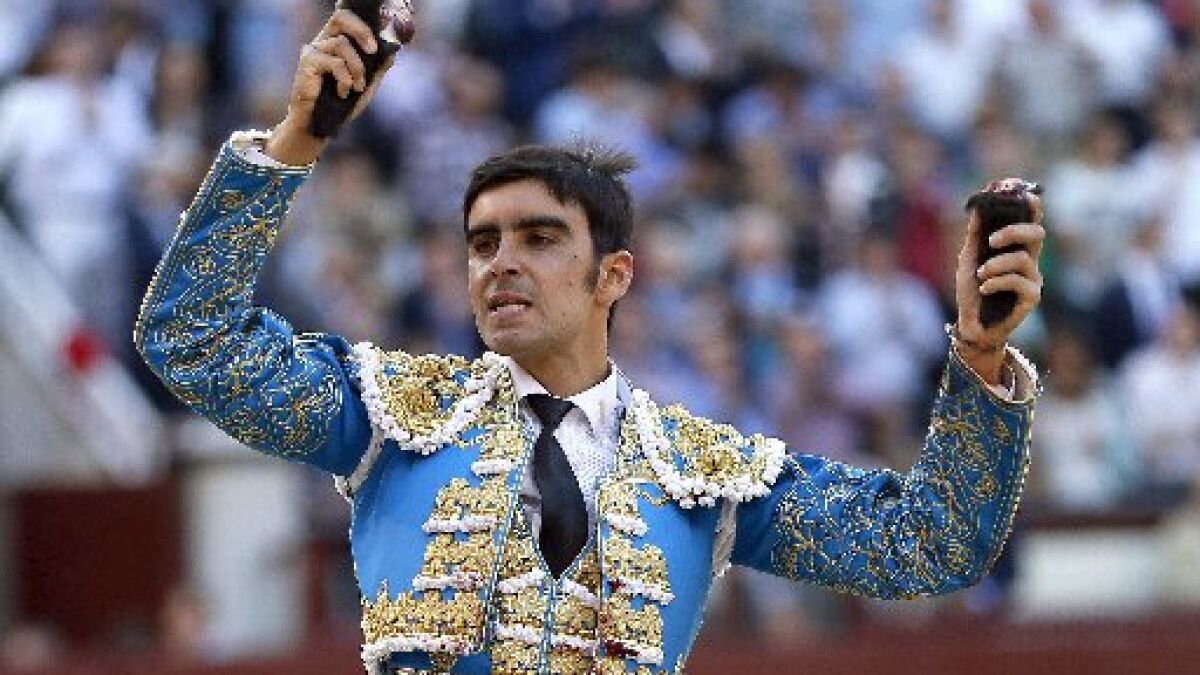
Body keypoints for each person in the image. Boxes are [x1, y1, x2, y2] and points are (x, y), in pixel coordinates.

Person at [135, 8, 1043, 675]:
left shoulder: (702, 475)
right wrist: (296, 141)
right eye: (482, 243)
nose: (501, 262)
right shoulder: (392, 415)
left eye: (538, 238)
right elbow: (192, 339)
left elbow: (927, 544)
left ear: (614, 275)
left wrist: (979, 356)